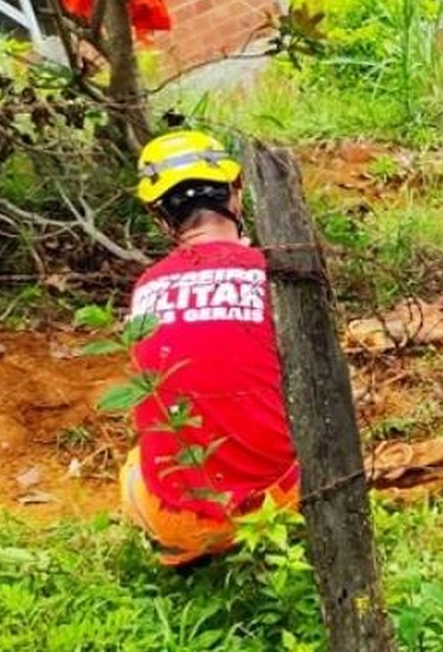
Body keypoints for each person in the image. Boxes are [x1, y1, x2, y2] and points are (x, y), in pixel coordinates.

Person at [119, 129, 299, 566]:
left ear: (162, 218)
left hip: (178, 524)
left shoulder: (146, 288)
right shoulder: (278, 273)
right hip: (276, 512)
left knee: (134, 465)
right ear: (236, 194)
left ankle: (187, 545)